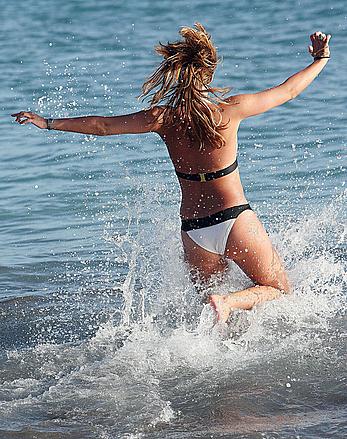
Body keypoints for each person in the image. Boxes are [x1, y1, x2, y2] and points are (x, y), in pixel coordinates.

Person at [12, 24, 331, 323]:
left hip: (195, 231)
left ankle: (220, 325)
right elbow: (288, 91)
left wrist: (49, 122)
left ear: (177, 75)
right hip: (235, 220)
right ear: (209, 73)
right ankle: (230, 302)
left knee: (206, 314)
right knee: (278, 290)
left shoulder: (162, 118)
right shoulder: (230, 109)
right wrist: (320, 60)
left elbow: (103, 126)